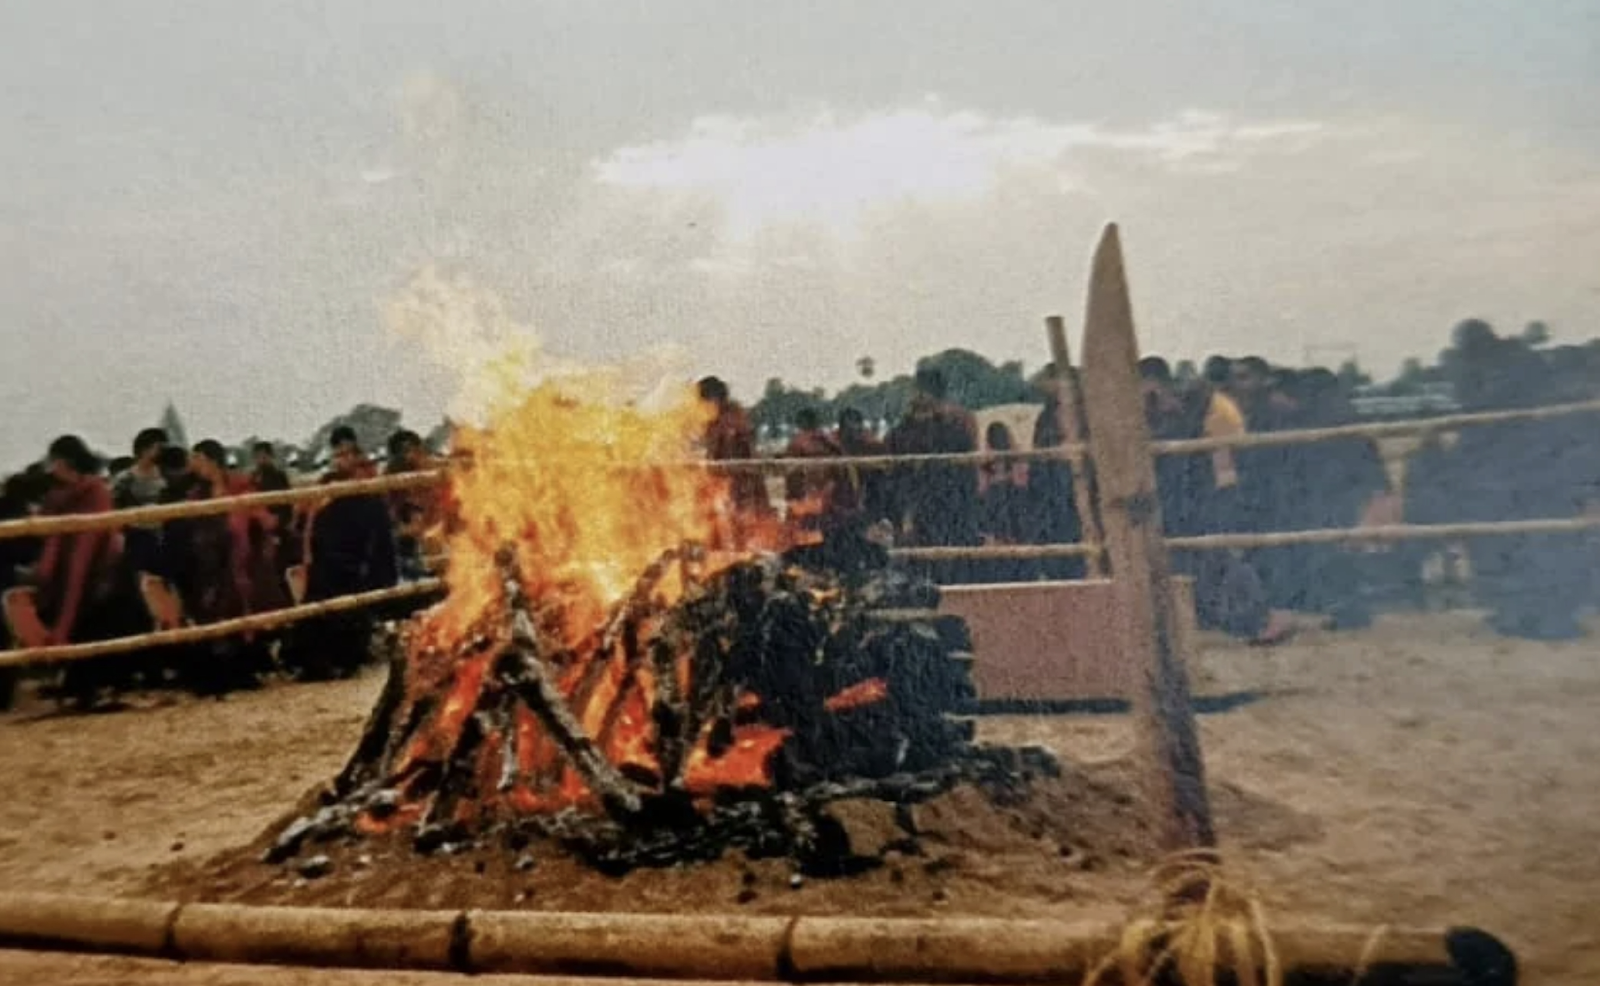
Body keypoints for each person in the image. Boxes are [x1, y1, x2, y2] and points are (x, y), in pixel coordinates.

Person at [283, 428, 398, 679]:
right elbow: (308, 519)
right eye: (338, 454)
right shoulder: (326, 483)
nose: (342, 459)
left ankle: (346, 658)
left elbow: (378, 529)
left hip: (357, 561)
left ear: (356, 453)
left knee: (349, 610)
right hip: (326, 559)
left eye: (347, 454)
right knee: (318, 608)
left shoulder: (369, 484)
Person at [33, 436, 138, 707]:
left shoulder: (94, 493)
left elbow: (85, 552)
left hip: (101, 576)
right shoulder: (59, 497)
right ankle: (81, 682)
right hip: (71, 574)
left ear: (64, 462)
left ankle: (99, 684)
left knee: (97, 617)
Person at [886, 368, 981, 583]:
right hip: (938, 506)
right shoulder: (955, 424)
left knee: (934, 566)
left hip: (937, 505)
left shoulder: (947, 427)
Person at [1027, 363, 1088, 581]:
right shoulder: (1046, 416)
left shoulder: (1085, 414)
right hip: (1050, 489)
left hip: (1075, 489)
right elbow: (1037, 454)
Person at [697, 377, 774, 548]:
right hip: (724, 482)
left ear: (714, 398)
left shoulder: (733, 419)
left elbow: (738, 453)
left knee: (743, 526)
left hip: (740, 482)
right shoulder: (716, 420)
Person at [111, 428, 170, 578]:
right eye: (159, 448)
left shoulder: (167, 476)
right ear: (145, 449)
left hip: (163, 538)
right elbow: (113, 509)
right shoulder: (125, 479)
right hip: (136, 538)